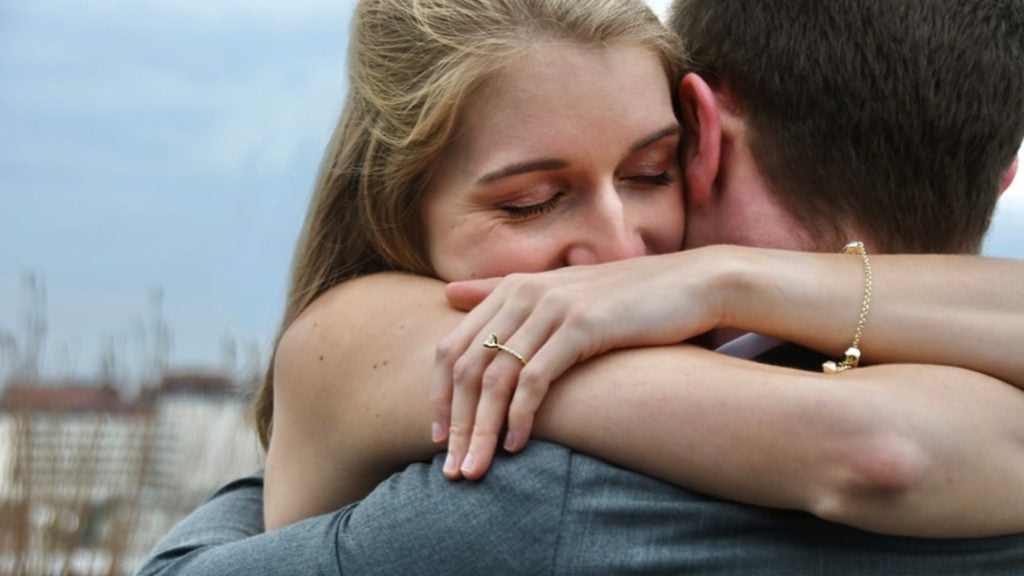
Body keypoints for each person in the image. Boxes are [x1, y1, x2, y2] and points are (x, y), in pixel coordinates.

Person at [139, 0, 1024, 574]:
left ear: (699, 136)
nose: (616, 254)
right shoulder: (490, 442)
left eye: (649, 173)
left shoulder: (550, 475)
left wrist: (724, 278)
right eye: (531, 203)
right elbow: (891, 447)